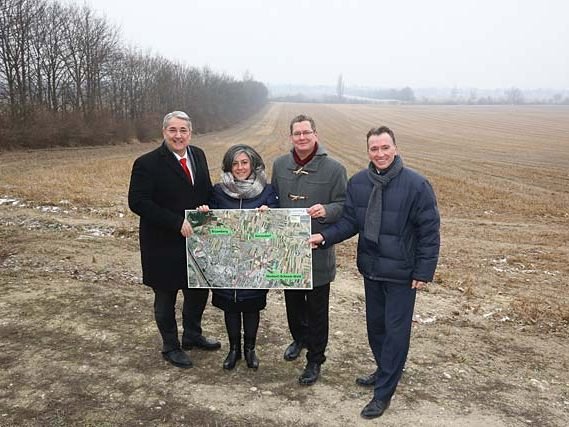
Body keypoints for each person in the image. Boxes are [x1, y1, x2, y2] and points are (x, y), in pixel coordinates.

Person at [309, 126, 440, 419]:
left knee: (395, 333)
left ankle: (383, 393)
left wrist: (424, 270)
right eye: (374, 149)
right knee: (376, 328)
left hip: (403, 274)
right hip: (372, 270)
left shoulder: (417, 185)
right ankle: (385, 370)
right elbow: (350, 223)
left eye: (385, 148)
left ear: (395, 148)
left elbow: (429, 232)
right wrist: (324, 238)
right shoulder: (359, 183)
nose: (380, 154)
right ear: (368, 151)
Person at [128, 110, 220, 369]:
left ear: (190, 133)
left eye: (183, 131)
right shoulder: (147, 163)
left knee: (197, 291)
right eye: (173, 130)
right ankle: (170, 346)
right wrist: (175, 222)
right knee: (166, 295)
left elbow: (206, 190)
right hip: (162, 241)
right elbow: (138, 202)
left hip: (195, 241)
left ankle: (192, 334)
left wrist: (207, 208)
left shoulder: (198, 155)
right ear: (164, 132)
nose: (178, 135)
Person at [271, 114, 347, 385]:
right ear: (290, 136)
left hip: (317, 250)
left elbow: (344, 205)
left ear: (315, 133)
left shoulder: (335, 169)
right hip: (289, 251)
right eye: (296, 133)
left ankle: (315, 358)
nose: (301, 137)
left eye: (306, 132)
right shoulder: (279, 165)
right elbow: (275, 198)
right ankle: (298, 339)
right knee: (293, 304)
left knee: (316, 310)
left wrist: (327, 210)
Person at [198, 144, 279, 371]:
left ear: (253, 164)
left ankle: (250, 349)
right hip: (226, 263)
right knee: (230, 307)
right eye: (235, 163)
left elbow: (277, 224)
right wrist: (204, 214)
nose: (240, 167)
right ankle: (234, 349)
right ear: (228, 166)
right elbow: (208, 226)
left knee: (251, 307)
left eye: (244, 162)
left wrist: (269, 215)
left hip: (255, 262)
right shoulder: (218, 191)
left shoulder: (267, 191)